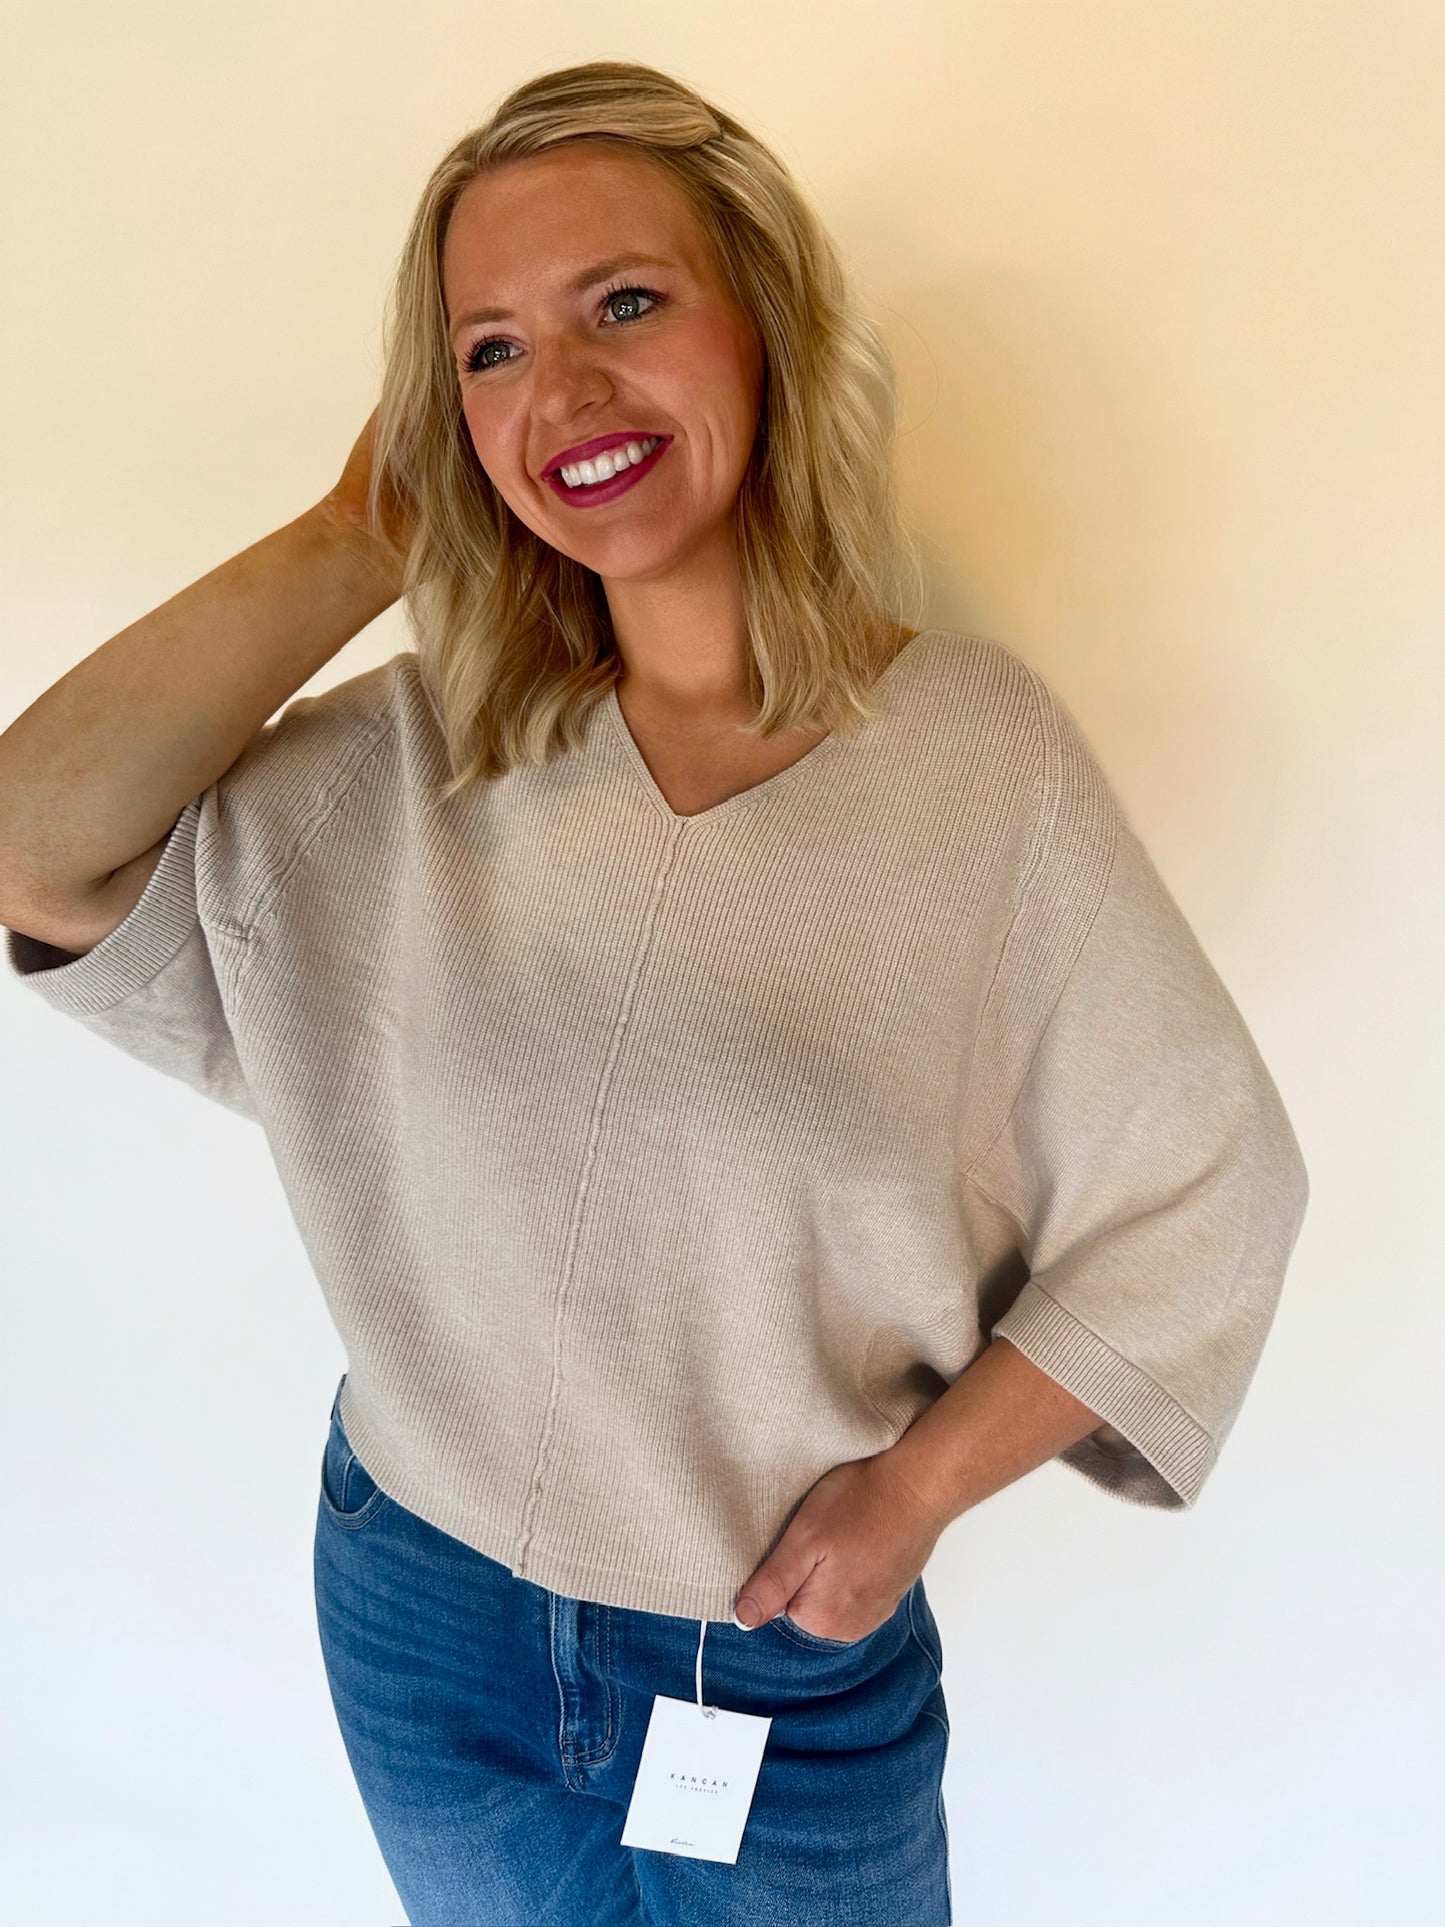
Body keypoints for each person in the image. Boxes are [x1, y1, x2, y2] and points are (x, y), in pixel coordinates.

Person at [0, 60, 1308, 1927]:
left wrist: (913, 1497)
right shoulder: (425, 755)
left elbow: (1206, 1189)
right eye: (490, 352)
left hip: (772, 1653)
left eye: (624, 303)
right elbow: (36, 846)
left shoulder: (974, 762)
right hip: (420, 1609)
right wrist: (364, 528)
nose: (564, 392)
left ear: (760, 319)